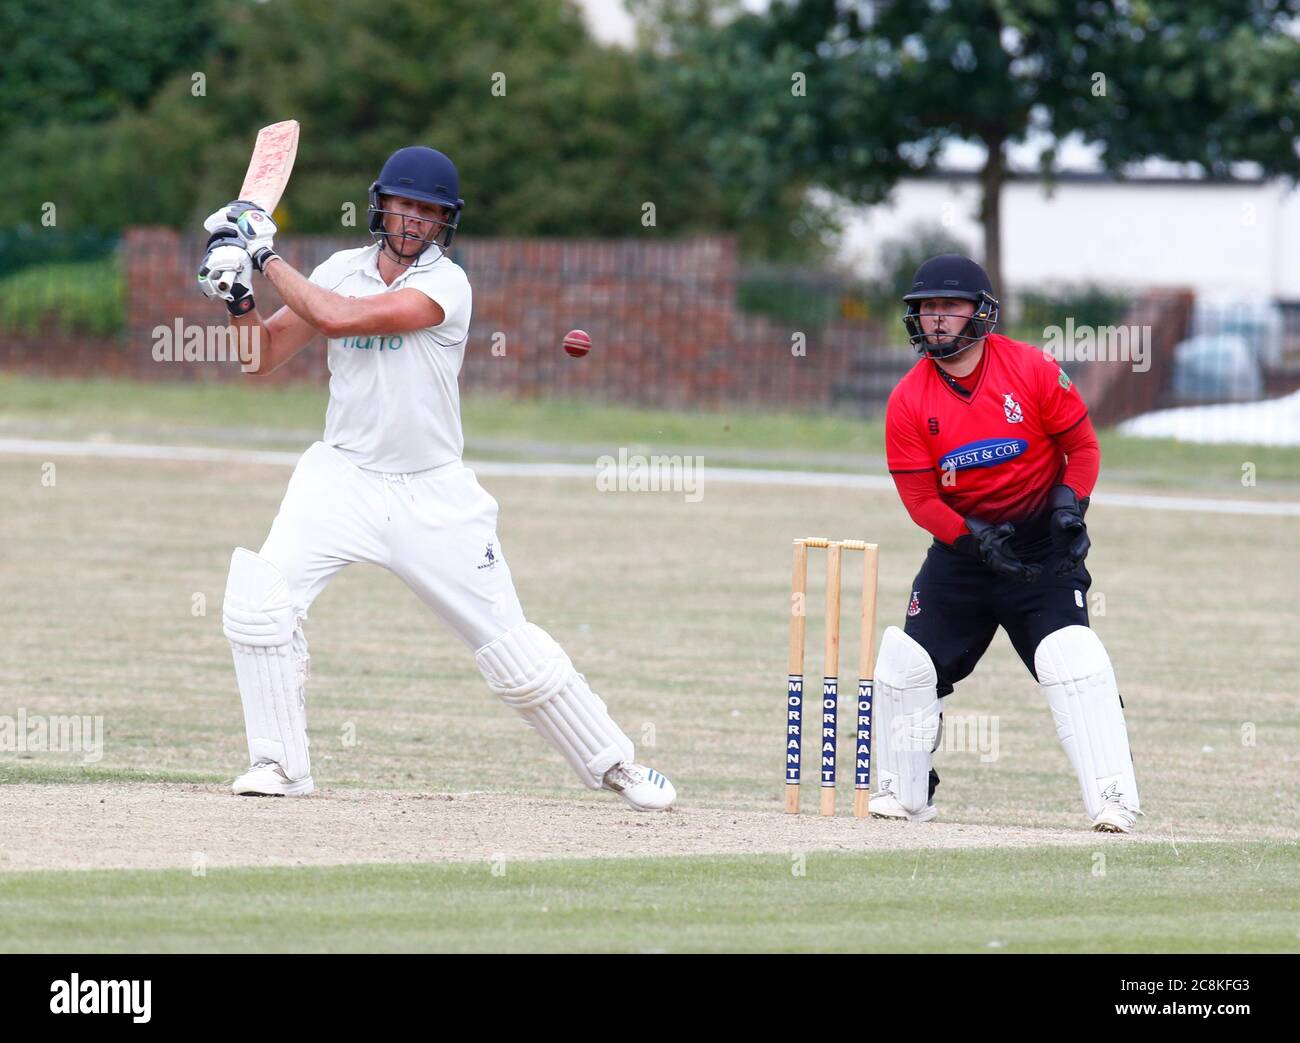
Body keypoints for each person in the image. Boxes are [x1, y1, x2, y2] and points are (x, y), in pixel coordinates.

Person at [196, 145, 675, 811]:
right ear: (381, 204)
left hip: (432, 494)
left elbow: (340, 319)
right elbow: (261, 359)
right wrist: (239, 298)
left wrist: (263, 254)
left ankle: (619, 764)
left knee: (513, 652)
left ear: (444, 221)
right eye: (406, 205)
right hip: (340, 478)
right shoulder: (340, 270)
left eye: (430, 211)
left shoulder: (448, 285)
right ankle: (278, 764)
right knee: (258, 602)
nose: (415, 220)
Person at [875, 254, 1139, 832]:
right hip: (963, 555)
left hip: (1042, 552)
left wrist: (1070, 506)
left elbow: (1085, 449)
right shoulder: (907, 400)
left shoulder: (1032, 369)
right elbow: (921, 500)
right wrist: (970, 540)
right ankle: (906, 791)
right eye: (926, 308)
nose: (936, 319)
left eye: (950, 306)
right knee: (908, 666)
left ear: (981, 312)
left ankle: (1113, 799)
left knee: (1073, 660)